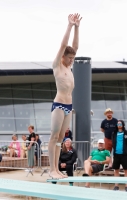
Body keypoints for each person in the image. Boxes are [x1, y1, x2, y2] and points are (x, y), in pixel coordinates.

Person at [48, 13, 82, 179]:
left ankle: (57, 170)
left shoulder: (69, 66)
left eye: (72, 59)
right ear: (62, 57)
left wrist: (77, 27)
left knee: (61, 137)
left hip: (69, 106)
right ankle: (52, 169)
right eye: (69, 58)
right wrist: (69, 25)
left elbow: (74, 46)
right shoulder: (57, 66)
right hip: (59, 105)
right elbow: (64, 45)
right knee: (54, 136)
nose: (71, 61)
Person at [112, 120, 127, 192]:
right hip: (116, 154)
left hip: (124, 155)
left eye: (120, 123)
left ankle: (126, 186)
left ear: (123, 124)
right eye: (118, 124)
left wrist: (126, 150)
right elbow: (113, 143)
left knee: (126, 170)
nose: (119, 125)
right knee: (116, 170)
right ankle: (116, 186)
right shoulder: (114, 133)